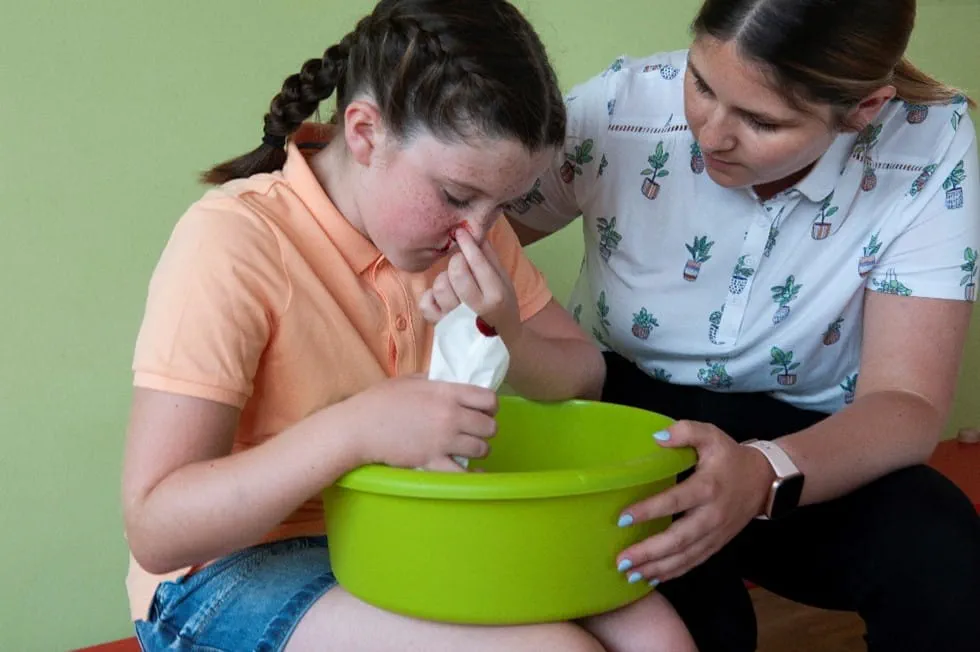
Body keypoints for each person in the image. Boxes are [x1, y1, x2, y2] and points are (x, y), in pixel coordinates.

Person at [121, 1, 697, 650]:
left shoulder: (468, 235)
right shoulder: (234, 244)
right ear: (364, 133)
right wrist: (357, 429)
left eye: (501, 205)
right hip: (229, 567)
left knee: (657, 635)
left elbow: (583, 377)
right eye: (455, 197)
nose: (478, 231)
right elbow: (156, 524)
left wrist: (507, 325)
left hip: (408, 529)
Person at [507, 0, 980, 650]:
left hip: (808, 442)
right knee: (707, 630)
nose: (711, 135)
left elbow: (908, 402)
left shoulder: (927, 144)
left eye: (762, 120)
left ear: (865, 110)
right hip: (625, 426)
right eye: (700, 82)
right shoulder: (623, 107)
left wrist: (763, 472)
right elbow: (473, 230)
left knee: (945, 557)